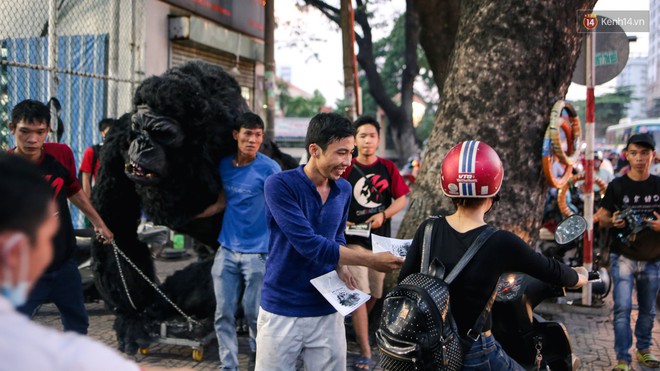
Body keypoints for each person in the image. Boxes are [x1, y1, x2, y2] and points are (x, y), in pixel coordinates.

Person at [398, 140, 588, 370]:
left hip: (428, 348)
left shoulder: (427, 229)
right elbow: (551, 270)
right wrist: (580, 276)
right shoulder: (501, 241)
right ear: (495, 189)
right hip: (474, 352)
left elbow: (404, 281)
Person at [0, 153, 191, 371]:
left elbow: (77, 194)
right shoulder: (46, 351)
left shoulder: (57, 164)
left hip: (63, 268)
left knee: (76, 320)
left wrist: (99, 224)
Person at [255, 112, 404, 371]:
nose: (348, 161)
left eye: (351, 152)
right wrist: (370, 260)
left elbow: (335, 235)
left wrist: (342, 267)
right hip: (282, 308)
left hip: (327, 309)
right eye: (341, 153)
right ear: (315, 150)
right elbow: (309, 244)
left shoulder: (343, 189)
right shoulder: (279, 185)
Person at [7, 99, 113, 335]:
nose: (32, 139)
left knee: (77, 326)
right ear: (12, 127)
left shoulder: (61, 154)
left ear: (48, 131)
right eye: (25, 131)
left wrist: (99, 223)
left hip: (65, 264)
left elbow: (74, 190)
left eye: (40, 132)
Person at [197, 112, 281, 370]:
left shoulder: (270, 169)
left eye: (257, 135)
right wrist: (189, 215)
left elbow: (282, 207)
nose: (252, 139)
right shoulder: (224, 166)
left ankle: (258, 354)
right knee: (223, 314)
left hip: (258, 253)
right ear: (236, 135)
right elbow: (222, 202)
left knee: (254, 313)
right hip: (227, 250)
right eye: (247, 133)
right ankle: (228, 366)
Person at [340, 115, 410, 370]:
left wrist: (384, 214)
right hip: (352, 242)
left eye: (372, 135)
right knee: (359, 295)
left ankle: (355, 326)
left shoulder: (388, 168)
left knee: (374, 294)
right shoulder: (346, 168)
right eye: (362, 136)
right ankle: (366, 350)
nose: (367, 140)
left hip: (379, 243)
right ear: (355, 141)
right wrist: (341, 222)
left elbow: (402, 198)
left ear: (378, 139)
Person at [595, 133, 660, 371]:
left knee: (647, 309)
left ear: (653, 156)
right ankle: (622, 358)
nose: (640, 158)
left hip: (653, 258)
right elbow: (601, 219)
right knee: (622, 308)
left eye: (645, 153)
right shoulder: (617, 185)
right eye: (634, 153)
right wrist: (612, 220)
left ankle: (644, 350)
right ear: (627, 156)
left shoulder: (658, 184)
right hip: (622, 256)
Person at [79, 118, 114, 196]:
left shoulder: (120, 150)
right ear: (102, 133)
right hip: (99, 195)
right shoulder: (92, 151)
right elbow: (86, 177)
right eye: (109, 131)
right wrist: (88, 203)